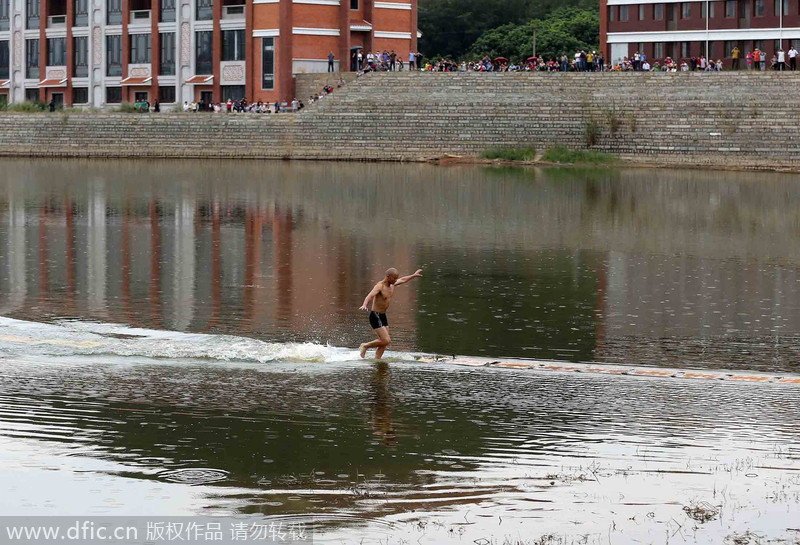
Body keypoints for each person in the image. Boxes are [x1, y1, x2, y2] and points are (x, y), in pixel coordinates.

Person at [359, 268, 423, 359]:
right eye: (394, 278)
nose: (396, 280)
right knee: (386, 340)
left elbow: (403, 279)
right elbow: (370, 295)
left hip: (383, 315)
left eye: (396, 278)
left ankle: (377, 360)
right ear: (388, 277)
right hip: (375, 315)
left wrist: (413, 275)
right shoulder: (380, 286)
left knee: (384, 342)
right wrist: (364, 304)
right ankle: (365, 346)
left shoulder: (392, 285)